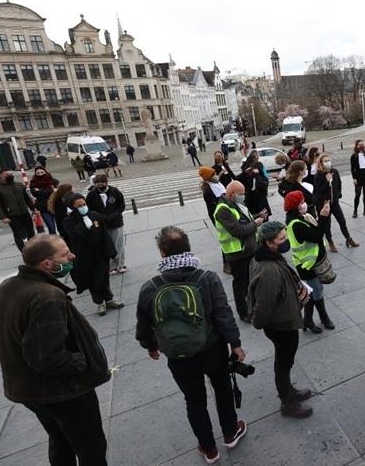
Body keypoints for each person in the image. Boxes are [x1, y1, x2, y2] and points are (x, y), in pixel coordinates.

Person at [0, 234, 110, 465]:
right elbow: (45, 357)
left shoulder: (7, 288)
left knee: (60, 438)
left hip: (28, 389)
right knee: (90, 445)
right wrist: (81, 362)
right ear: (47, 264)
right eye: (65, 254)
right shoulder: (47, 297)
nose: (72, 256)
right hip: (62, 391)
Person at [135, 226, 247, 463]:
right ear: (188, 247)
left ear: (162, 253)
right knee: (222, 389)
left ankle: (208, 448)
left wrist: (151, 346)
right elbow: (223, 314)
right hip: (212, 348)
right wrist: (235, 343)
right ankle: (230, 432)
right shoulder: (207, 278)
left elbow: (144, 323)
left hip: (178, 355)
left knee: (194, 401)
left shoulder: (150, 287)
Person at [248, 220, 316, 417]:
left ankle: (288, 391)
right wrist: (258, 323)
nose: (286, 241)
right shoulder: (268, 268)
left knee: (286, 360)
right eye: (282, 238)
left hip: (283, 319)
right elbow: (265, 303)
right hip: (280, 324)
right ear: (269, 242)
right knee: (283, 362)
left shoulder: (268, 256)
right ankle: (287, 402)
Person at [62, 193, 123, 316]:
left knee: (103, 277)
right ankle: (99, 302)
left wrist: (110, 250)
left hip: (100, 252)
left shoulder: (94, 215)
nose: (83, 207)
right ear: (73, 208)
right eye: (79, 206)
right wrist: (85, 225)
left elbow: (104, 229)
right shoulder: (69, 221)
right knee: (92, 280)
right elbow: (75, 235)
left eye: (84, 204)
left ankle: (109, 298)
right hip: (84, 255)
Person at [283, 191, 335, 333]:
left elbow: (316, 231)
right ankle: (320, 318)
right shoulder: (296, 224)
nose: (304, 204)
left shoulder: (301, 218)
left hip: (311, 263)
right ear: (296, 206)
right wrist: (324, 216)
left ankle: (309, 320)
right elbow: (317, 236)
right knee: (316, 292)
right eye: (301, 201)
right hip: (307, 265)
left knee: (312, 292)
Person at [214, 181, 265, 321]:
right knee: (240, 284)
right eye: (241, 194)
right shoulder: (223, 209)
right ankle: (243, 313)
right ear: (231, 194)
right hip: (237, 253)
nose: (243, 196)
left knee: (249, 281)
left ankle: (251, 306)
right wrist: (256, 223)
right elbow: (238, 231)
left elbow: (244, 221)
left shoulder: (235, 204)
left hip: (247, 250)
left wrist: (256, 216)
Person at [313, 154, 358, 251]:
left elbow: (339, 183)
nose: (328, 162)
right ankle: (330, 242)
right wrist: (327, 181)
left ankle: (348, 239)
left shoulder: (334, 171)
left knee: (342, 221)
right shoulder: (318, 175)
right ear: (320, 163)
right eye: (325, 161)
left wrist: (339, 194)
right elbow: (319, 190)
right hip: (324, 205)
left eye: (328, 160)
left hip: (335, 203)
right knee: (327, 225)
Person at [85, 175, 127, 274]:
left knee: (118, 244)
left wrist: (112, 216)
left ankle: (120, 264)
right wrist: (101, 217)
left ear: (106, 182)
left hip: (116, 222)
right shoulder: (91, 195)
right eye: (97, 183)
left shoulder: (115, 191)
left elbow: (121, 206)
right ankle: (111, 266)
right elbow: (90, 210)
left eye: (102, 182)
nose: (100, 184)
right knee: (106, 245)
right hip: (101, 224)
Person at [0, 169, 35, 251]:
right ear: (1, 175)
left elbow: (26, 199)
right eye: (7, 174)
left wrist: (33, 209)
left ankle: (32, 250)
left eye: (11, 174)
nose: (10, 176)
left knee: (31, 232)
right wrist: (2, 217)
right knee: (18, 234)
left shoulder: (19, 185)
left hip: (24, 212)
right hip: (12, 215)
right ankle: (24, 252)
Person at [29, 165, 59, 234]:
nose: (40, 174)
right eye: (38, 173)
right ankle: (52, 242)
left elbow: (57, 191)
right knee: (51, 227)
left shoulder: (53, 181)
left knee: (61, 226)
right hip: (44, 208)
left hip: (55, 206)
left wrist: (40, 191)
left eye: (42, 172)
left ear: (45, 172)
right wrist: (51, 190)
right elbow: (35, 193)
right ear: (35, 174)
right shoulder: (33, 183)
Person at [350, 140, 365, 218]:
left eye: (363, 144)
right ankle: (355, 210)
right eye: (360, 145)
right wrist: (354, 178)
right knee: (357, 195)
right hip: (358, 177)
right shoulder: (354, 156)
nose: (361, 146)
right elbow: (352, 168)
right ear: (356, 146)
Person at [48, 183, 74, 249]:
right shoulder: (60, 204)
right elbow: (61, 219)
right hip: (67, 231)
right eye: (71, 190)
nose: (73, 191)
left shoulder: (65, 201)